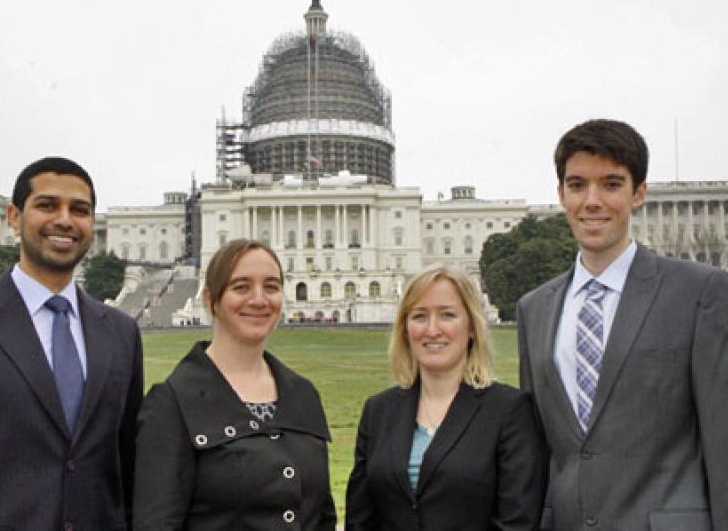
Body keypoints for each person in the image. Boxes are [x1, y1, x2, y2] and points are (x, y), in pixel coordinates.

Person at [517, 119, 728, 530]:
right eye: (577, 185)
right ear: (561, 194)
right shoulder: (534, 309)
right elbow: (540, 449)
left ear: (639, 194)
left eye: (611, 184)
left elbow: (722, 439)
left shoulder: (701, 292)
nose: (592, 201)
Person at [0, 157, 144, 530]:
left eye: (80, 210)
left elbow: (128, 470)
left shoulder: (121, 332)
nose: (65, 220)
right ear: (14, 217)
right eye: (47, 205)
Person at [134, 239, 336, 530]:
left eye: (271, 286)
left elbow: (321, 515)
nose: (259, 299)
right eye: (241, 287)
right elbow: (157, 522)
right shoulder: (172, 403)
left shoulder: (302, 393)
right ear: (210, 298)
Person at [346, 266, 546, 531]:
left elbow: (517, 520)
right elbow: (360, 518)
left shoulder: (509, 410)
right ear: (405, 329)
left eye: (447, 315)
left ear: (472, 327)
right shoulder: (378, 411)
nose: (432, 330)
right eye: (419, 316)